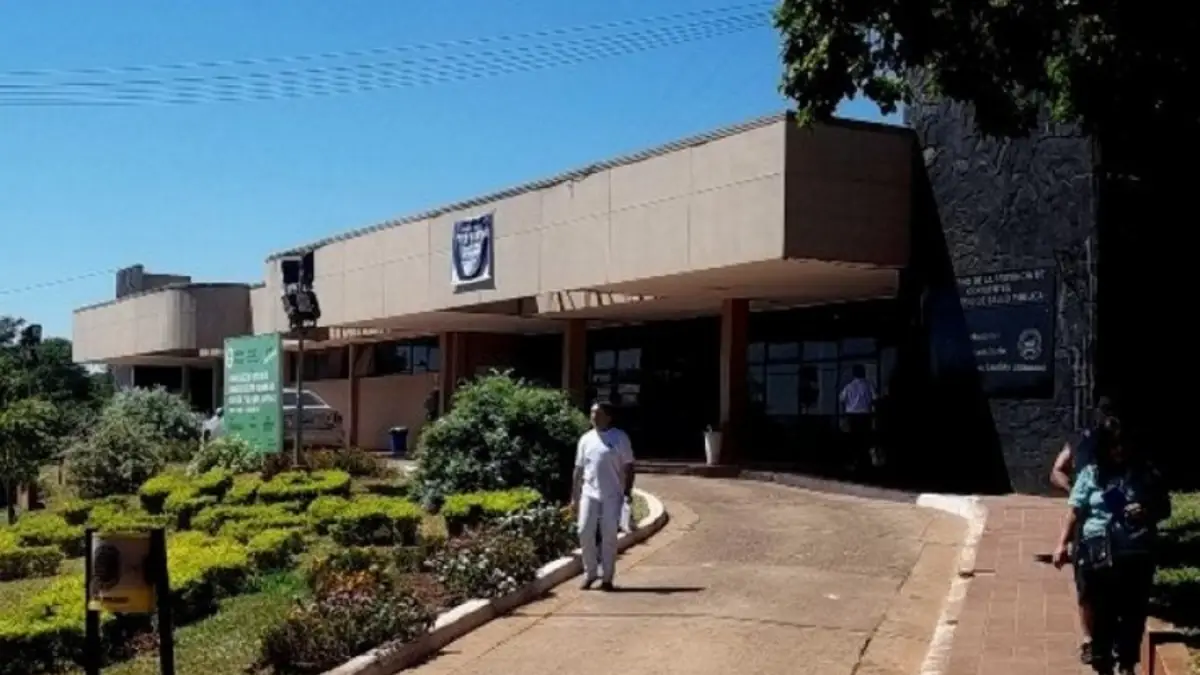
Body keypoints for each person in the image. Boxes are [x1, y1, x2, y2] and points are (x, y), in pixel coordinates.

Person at [1053, 417, 1171, 675]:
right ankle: (1102, 658)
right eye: (1113, 446)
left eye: (1124, 445)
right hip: (1098, 554)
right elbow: (1075, 510)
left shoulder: (1145, 474)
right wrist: (1062, 544)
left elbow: (1164, 508)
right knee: (1100, 609)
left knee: (1133, 611)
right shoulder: (1091, 474)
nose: (1119, 451)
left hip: (1135, 552)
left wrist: (1145, 510)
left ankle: (1127, 663)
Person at [1049, 396, 1115, 664]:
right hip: (1086, 527)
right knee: (1087, 585)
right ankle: (1089, 640)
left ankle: (1106, 636)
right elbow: (1057, 470)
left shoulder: (1122, 444)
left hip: (1114, 528)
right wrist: (1076, 490)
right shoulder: (1080, 440)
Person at [572, 401, 635, 591]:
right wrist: (575, 496)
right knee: (584, 531)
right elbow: (579, 469)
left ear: (608, 417)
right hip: (589, 494)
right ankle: (590, 573)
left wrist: (627, 492)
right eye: (592, 413)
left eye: (598, 414)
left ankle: (607, 577)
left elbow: (629, 467)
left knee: (609, 535)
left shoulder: (619, 438)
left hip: (612, 494)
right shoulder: (585, 439)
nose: (594, 417)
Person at [839, 365, 876, 471]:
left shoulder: (849, 386)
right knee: (865, 440)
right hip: (865, 416)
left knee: (853, 440)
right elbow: (875, 398)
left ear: (854, 374)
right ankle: (864, 462)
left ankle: (854, 462)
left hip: (852, 416)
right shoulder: (868, 385)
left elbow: (841, 398)